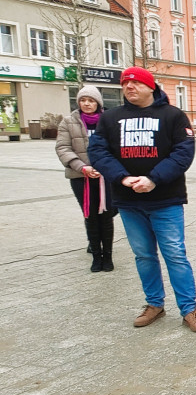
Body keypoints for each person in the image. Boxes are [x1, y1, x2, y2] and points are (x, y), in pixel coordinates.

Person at [88, 67, 196, 332]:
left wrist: (153, 178)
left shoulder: (173, 116)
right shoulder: (110, 118)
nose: (129, 86)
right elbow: (97, 152)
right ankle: (154, 304)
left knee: (175, 254)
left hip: (166, 200)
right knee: (143, 255)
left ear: (150, 86)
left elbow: (183, 153)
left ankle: (190, 309)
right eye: (125, 83)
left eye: (136, 82)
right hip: (129, 200)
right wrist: (122, 177)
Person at [55, 85, 118, 272]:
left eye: (91, 100)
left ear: (97, 102)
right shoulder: (68, 122)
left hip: (104, 176)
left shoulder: (108, 121)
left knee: (107, 214)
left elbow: (117, 146)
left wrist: (106, 166)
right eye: (83, 100)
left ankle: (108, 256)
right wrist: (82, 167)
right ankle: (96, 256)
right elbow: (63, 148)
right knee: (90, 214)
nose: (87, 104)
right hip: (80, 176)